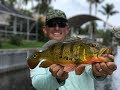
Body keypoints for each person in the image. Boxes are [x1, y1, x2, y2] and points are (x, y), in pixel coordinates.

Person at [30, 9, 117, 90]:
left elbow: (91, 69)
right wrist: (57, 79)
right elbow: (38, 83)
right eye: (52, 24)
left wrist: (99, 72)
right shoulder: (39, 55)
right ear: (45, 29)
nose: (57, 27)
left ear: (67, 29)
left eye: (61, 24)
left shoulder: (85, 54)